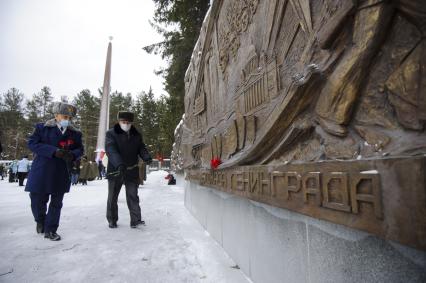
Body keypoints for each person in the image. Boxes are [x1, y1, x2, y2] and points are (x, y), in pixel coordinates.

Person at [25, 102, 84, 241]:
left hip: (61, 171)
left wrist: (73, 154)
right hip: (42, 170)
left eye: (70, 118)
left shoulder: (75, 132)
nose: (67, 120)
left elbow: (80, 149)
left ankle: (51, 229)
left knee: (56, 203)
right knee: (37, 200)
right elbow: (32, 144)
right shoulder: (42, 128)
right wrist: (53, 151)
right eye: (65, 116)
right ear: (56, 115)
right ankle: (40, 221)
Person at [105, 111, 152, 229]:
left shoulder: (136, 135)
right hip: (116, 170)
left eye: (128, 122)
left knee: (133, 196)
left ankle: (135, 220)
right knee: (113, 197)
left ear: (131, 123)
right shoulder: (111, 134)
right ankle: (112, 219)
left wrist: (146, 156)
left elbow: (141, 148)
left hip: (131, 170)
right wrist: (119, 164)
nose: (126, 124)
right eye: (123, 122)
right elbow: (111, 150)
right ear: (119, 121)